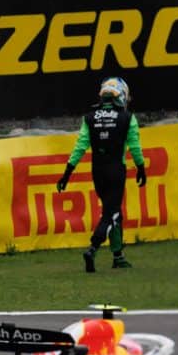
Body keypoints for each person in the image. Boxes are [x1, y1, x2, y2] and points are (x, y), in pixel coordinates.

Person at [57, 77, 146, 272]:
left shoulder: (89, 117)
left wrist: (67, 173)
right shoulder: (127, 117)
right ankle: (93, 248)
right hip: (116, 171)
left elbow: (80, 146)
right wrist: (141, 168)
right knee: (111, 213)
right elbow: (135, 147)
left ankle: (118, 256)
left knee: (113, 211)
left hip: (97, 172)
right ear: (121, 95)